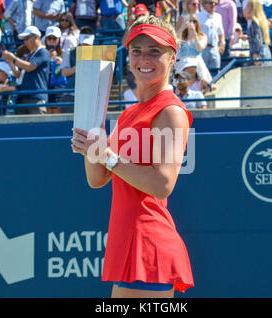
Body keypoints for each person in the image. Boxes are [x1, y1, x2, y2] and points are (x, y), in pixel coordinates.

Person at [71, 15, 194, 298]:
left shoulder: (171, 111)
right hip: (128, 240)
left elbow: (162, 184)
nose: (144, 58)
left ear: (172, 57)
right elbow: (97, 179)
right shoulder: (128, 113)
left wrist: (107, 155)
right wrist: (91, 149)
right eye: (136, 50)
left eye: (155, 50)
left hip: (149, 243)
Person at [2, 26, 50, 114]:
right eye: (24, 39)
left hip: (36, 97)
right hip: (24, 96)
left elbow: (30, 67)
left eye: (27, 38)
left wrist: (14, 58)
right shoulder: (30, 55)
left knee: (37, 126)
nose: (25, 42)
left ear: (36, 37)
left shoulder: (43, 52)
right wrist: (10, 61)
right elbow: (18, 74)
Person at [59, 26, 95, 112]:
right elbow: (64, 72)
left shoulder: (98, 54)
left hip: (90, 96)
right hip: (72, 95)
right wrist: (77, 67)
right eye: (84, 44)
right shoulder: (69, 52)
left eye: (88, 44)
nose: (86, 46)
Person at [196, 0, 225, 70]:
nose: (213, 5)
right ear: (204, 4)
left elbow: (221, 33)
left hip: (214, 48)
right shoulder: (198, 16)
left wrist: (222, 44)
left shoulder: (218, 17)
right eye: (211, 3)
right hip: (203, 49)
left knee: (215, 73)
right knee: (202, 74)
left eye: (215, 3)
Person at [247, 0, 272, 66]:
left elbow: (257, 40)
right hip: (266, 52)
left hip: (259, 56)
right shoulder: (262, 21)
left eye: (248, 6)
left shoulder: (254, 22)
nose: (246, 8)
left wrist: (256, 56)